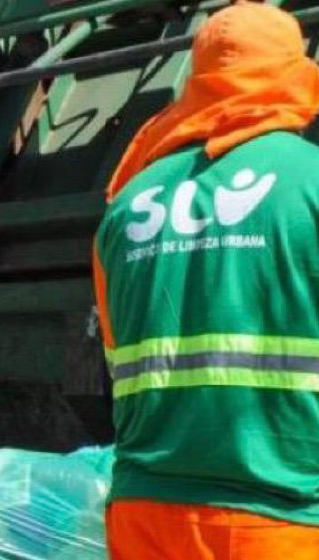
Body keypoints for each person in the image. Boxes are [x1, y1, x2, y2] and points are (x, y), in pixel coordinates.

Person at [92, 2, 319, 558]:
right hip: (279, 520)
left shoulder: (125, 205)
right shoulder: (310, 181)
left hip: (145, 513)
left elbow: (114, 352)